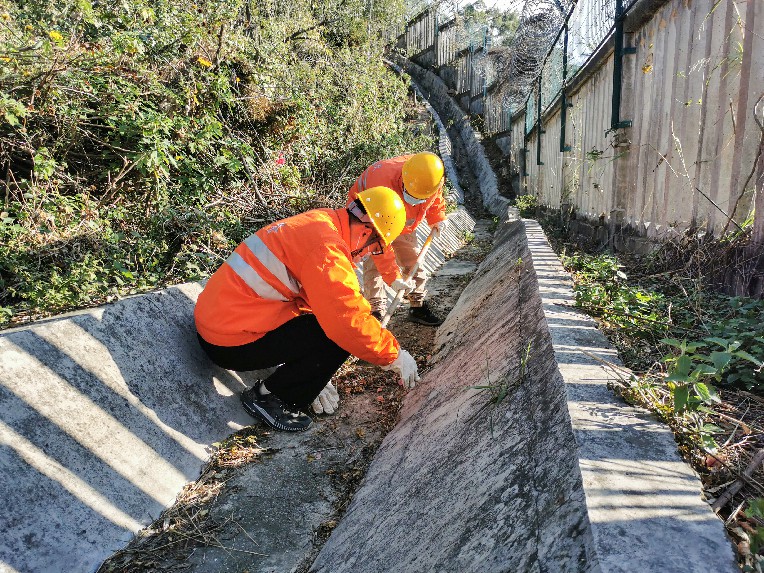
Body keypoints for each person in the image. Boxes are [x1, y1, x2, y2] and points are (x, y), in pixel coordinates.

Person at [194, 186, 421, 432]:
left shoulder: (322, 221)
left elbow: (314, 299)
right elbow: (347, 321)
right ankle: (270, 399)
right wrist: (394, 355)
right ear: (367, 231)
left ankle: (289, 383)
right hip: (229, 342)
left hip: (220, 321)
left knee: (324, 322)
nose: (367, 254)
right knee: (336, 337)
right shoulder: (327, 250)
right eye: (374, 247)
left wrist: (313, 374)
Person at [348, 152, 450, 326]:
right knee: (374, 263)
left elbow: (435, 199)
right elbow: (379, 245)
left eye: (419, 197)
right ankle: (376, 310)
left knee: (413, 256)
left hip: (405, 216)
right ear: (403, 178)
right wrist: (393, 277)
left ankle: (417, 304)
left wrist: (437, 217)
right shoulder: (380, 181)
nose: (415, 199)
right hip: (371, 213)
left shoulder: (430, 177)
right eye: (411, 194)